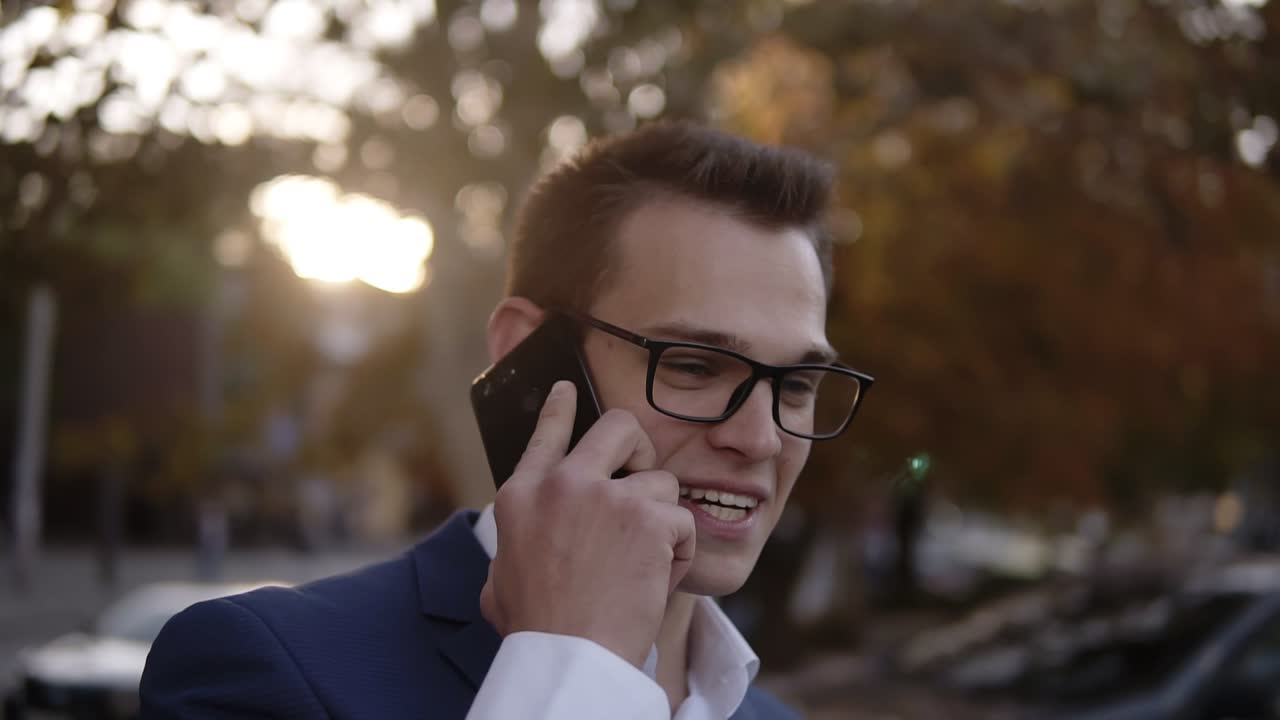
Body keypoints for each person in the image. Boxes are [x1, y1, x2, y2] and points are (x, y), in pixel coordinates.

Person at [139, 121, 873, 719]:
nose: (760, 439)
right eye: (693, 366)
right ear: (530, 355)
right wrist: (573, 666)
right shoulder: (262, 673)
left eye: (798, 382)